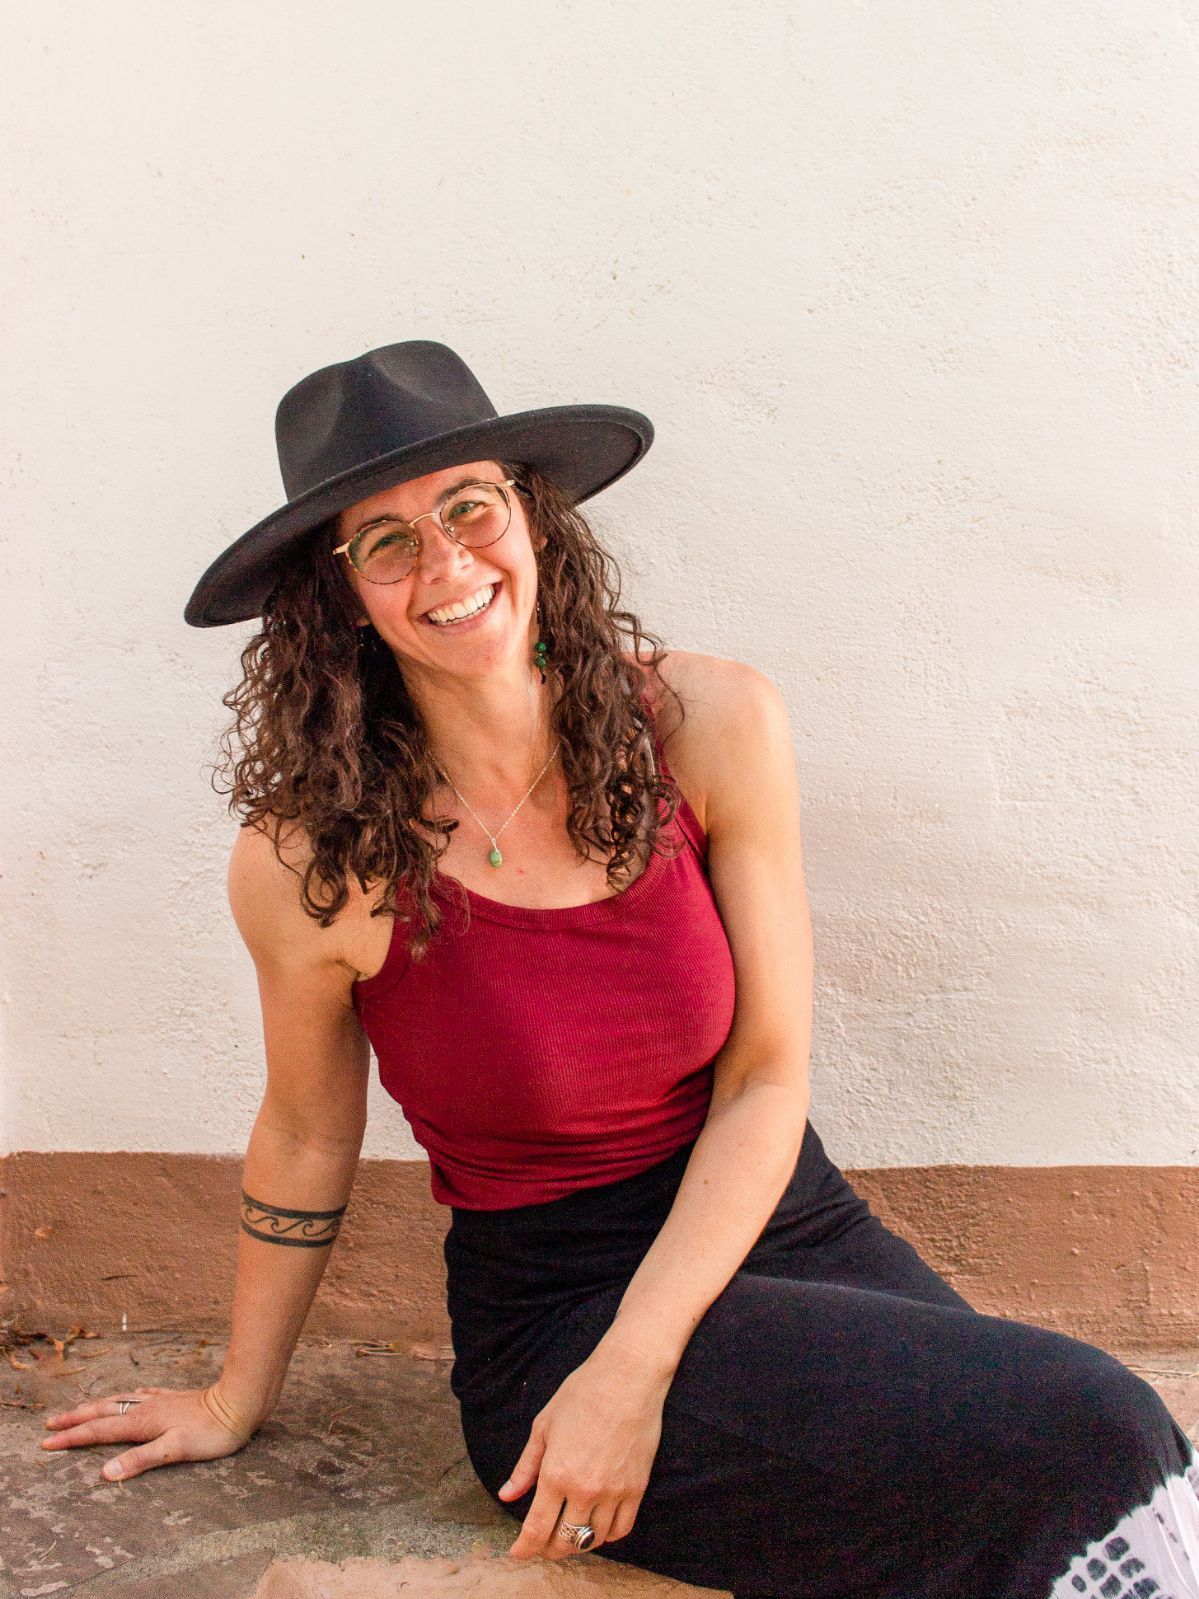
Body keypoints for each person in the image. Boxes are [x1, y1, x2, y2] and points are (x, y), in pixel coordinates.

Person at [41, 341, 1199, 1597]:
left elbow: (764, 1079)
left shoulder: (710, 724)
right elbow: (309, 1132)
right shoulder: (314, 862)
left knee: (1043, 1459)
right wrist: (233, 1393)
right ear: (340, 597)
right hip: (557, 1307)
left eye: (468, 507)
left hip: (775, 1218)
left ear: (529, 515)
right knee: (1085, 1422)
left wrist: (640, 1369)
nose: (445, 564)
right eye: (383, 542)